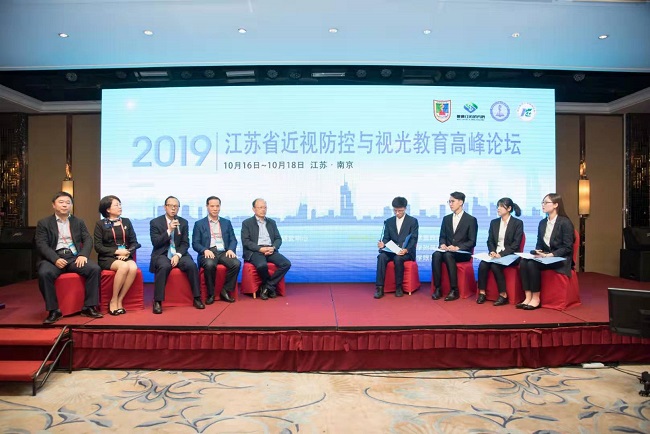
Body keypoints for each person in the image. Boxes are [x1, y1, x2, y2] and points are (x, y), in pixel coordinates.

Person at [35, 191, 103, 324]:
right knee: (44, 273)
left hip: (73, 257)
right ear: (53, 205)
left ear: (71, 205)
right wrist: (55, 259)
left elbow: (88, 239)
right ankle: (54, 310)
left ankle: (89, 307)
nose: (65, 205)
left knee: (94, 269)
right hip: (53, 257)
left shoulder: (78, 222)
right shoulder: (44, 223)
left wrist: (83, 255)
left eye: (68, 203)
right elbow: (41, 244)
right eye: (61, 202)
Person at [518, 193, 575, 310]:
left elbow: (568, 247)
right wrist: (537, 252)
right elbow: (539, 243)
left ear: (555, 205)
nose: (543, 205)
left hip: (560, 259)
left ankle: (536, 298)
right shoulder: (542, 223)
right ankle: (528, 297)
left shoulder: (565, 222)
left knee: (532, 264)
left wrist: (551, 255)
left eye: (546, 202)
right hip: (546, 258)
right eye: (542, 203)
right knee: (524, 262)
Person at [149, 196, 204, 314]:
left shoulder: (183, 222)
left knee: (191, 265)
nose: (173, 208)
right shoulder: (155, 222)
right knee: (164, 266)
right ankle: (158, 301)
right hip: (162, 253)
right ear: (165, 207)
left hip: (179, 253)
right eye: (171, 206)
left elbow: (185, 243)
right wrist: (169, 230)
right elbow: (156, 243)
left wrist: (178, 255)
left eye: (176, 206)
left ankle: (197, 297)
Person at [94, 195, 141, 315]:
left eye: (120, 204)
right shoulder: (100, 224)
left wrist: (127, 252)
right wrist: (117, 252)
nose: (120, 207)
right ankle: (113, 300)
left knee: (133, 267)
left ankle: (120, 299)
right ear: (108, 209)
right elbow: (98, 247)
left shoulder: (126, 221)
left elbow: (134, 242)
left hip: (125, 255)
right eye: (116, 205)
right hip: (108, 257)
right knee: (124, 266)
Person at [476, 197, 524, 306]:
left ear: (509, 208)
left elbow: (516, 244)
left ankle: (503, 294)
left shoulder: (517, 223)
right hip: (495, 255)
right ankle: (482, 293)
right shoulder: (494, 222)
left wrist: (501, 254)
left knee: (495, 266)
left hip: (510, 255)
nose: (498, 208)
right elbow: (490, 241)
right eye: (498, 206)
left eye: (501, 206)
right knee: (483, 264)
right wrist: (492, 251)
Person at [192, 196, 241, 304]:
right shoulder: (199, 224)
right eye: (212, 206)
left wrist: (231, 249)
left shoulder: (226, 222)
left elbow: (233, 239)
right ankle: (211, 294)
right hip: (208, 251)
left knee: (236, 263)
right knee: (209, 265)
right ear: (207, 207)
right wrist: (204, 250)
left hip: (224, 251)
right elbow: (195, 243)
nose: (215, 209)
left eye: (217, 206)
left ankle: (225, 290)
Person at [431, 191, 478, 301]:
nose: (450, 204)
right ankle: (437, 288)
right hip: (447, 250)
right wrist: (442, 244)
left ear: (460, 202)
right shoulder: (446, 219)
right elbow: (442, 236)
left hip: (462, 253)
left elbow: (472, 241)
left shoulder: (471, 220)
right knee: (436, 255)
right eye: (449, 202)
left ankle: (454, 290)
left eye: (452, 201)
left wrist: (458, 247)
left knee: (448, 255)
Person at [241, 198, 291, 300]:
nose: (263, 210)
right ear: (254, 209)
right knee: (261, 265)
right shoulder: (247, 223)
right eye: (260, 207)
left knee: (286, 264)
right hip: (255, 251)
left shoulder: (271, 222)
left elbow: (278, 239)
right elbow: (246, 241)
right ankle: (269, 288)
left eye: (265, 207)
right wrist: (260, 249)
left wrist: (273, 247)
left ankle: (267, 287)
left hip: (270, 249)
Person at [374, 196, 419, 299]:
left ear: (405, 208)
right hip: (391, 251)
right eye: (395, 210)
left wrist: (406, 250)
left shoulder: (412, 221)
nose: (397, 213)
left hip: (406, 251)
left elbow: (414, 239)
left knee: (398, 258)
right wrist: (383, 244)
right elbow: (386, 238)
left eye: (400, 211)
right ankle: (379, 288)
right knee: (381, 257)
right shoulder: (389, 221)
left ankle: (399, 287)